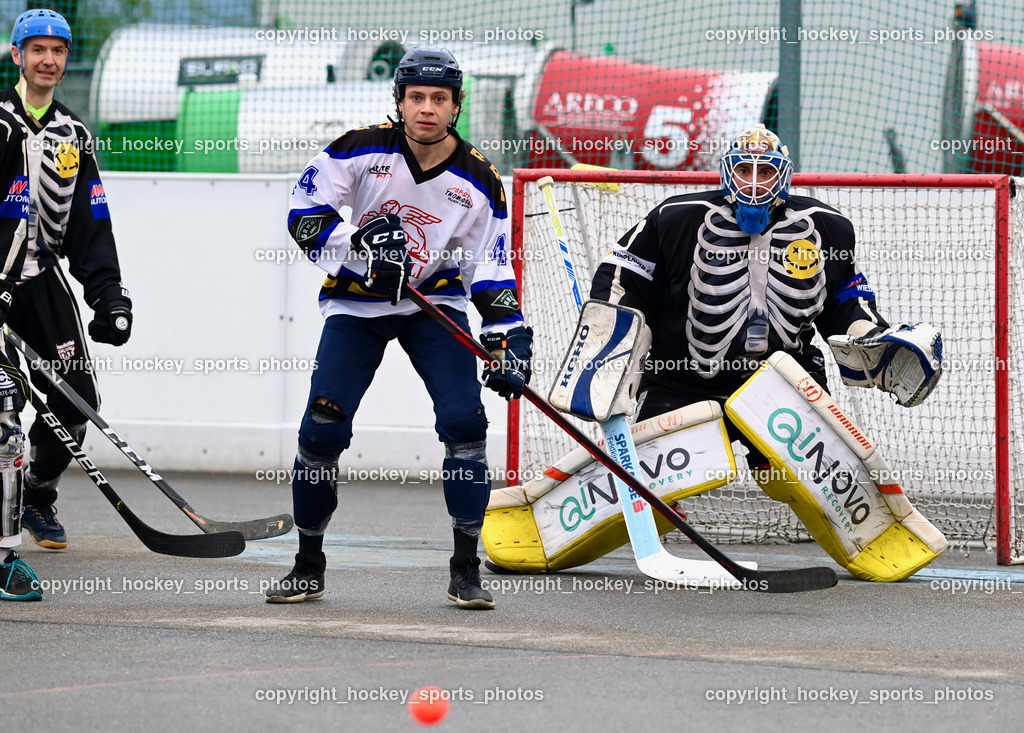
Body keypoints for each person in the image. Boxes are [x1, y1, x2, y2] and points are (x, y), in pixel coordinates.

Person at [584, 124, 944, 581]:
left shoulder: (829, 228)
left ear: (785, 176)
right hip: (682, 377)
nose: (754, 181)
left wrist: (872, 336)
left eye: (766, 171)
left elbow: (847, 304)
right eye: (744, 168)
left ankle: (877, 538)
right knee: (651, 490)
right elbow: (620, 279)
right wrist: (611, 341)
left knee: (800, 483)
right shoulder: (675, 218)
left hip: (781, 383)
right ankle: (573, 530)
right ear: (726, 172)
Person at [267, 47, 531, 609]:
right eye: (417, 98)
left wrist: (509, 335)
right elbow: (304, 211)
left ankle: (465, 566)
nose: (427, 109)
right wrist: (359, 247)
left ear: (456, 105)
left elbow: (489, 263)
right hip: (356, 305)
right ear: (399, 102)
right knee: (322, 430)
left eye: (439, 99)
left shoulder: (480, 178)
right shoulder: (357, 148)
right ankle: (307, 562)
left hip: (433, 304)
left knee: (465, 425)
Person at [2, 9, 133, 551]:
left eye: (58, 51)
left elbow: (90, 222)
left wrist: (109, 295)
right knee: (4, 411)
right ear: (17, 56)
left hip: (40, 280)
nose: (48, 60)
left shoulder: (72, 133)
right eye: (38, 50)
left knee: (76, 399)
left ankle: (36, 494)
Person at [0, 99, 42, 601]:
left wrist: (2, 289)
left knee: (6, 422)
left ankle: (4, 556)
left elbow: (15, 219)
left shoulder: (7, 131)